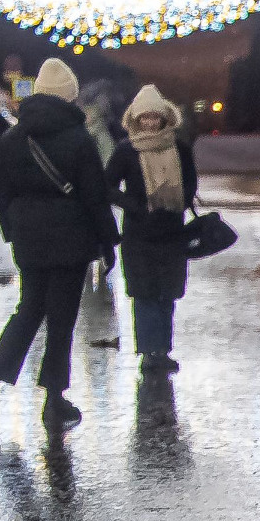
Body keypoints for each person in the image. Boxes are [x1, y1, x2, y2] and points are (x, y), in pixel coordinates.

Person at [0, 58, 115, 429]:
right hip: (71, 238)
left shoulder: (11, 138)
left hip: (29, 240)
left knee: (29, 309)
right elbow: (95, 196)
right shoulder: (79, 139)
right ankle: (54, 399)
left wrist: (14, 232)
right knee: (62, 318)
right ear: (69, 96)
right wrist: (107, 242)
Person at [108, 85, 198, 375]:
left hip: (172, 230)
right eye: (144, 117)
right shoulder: (126, 150)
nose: (149, 122)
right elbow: (107, 186)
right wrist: (134, 206)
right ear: (135, 118)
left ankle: (163, 349)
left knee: (168, 293)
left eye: (154, 117)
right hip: (139, 234)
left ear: (165, 117)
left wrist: (178, 200)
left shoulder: (179, 148)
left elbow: (191, 183)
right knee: (144, 293)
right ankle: (148, 352)